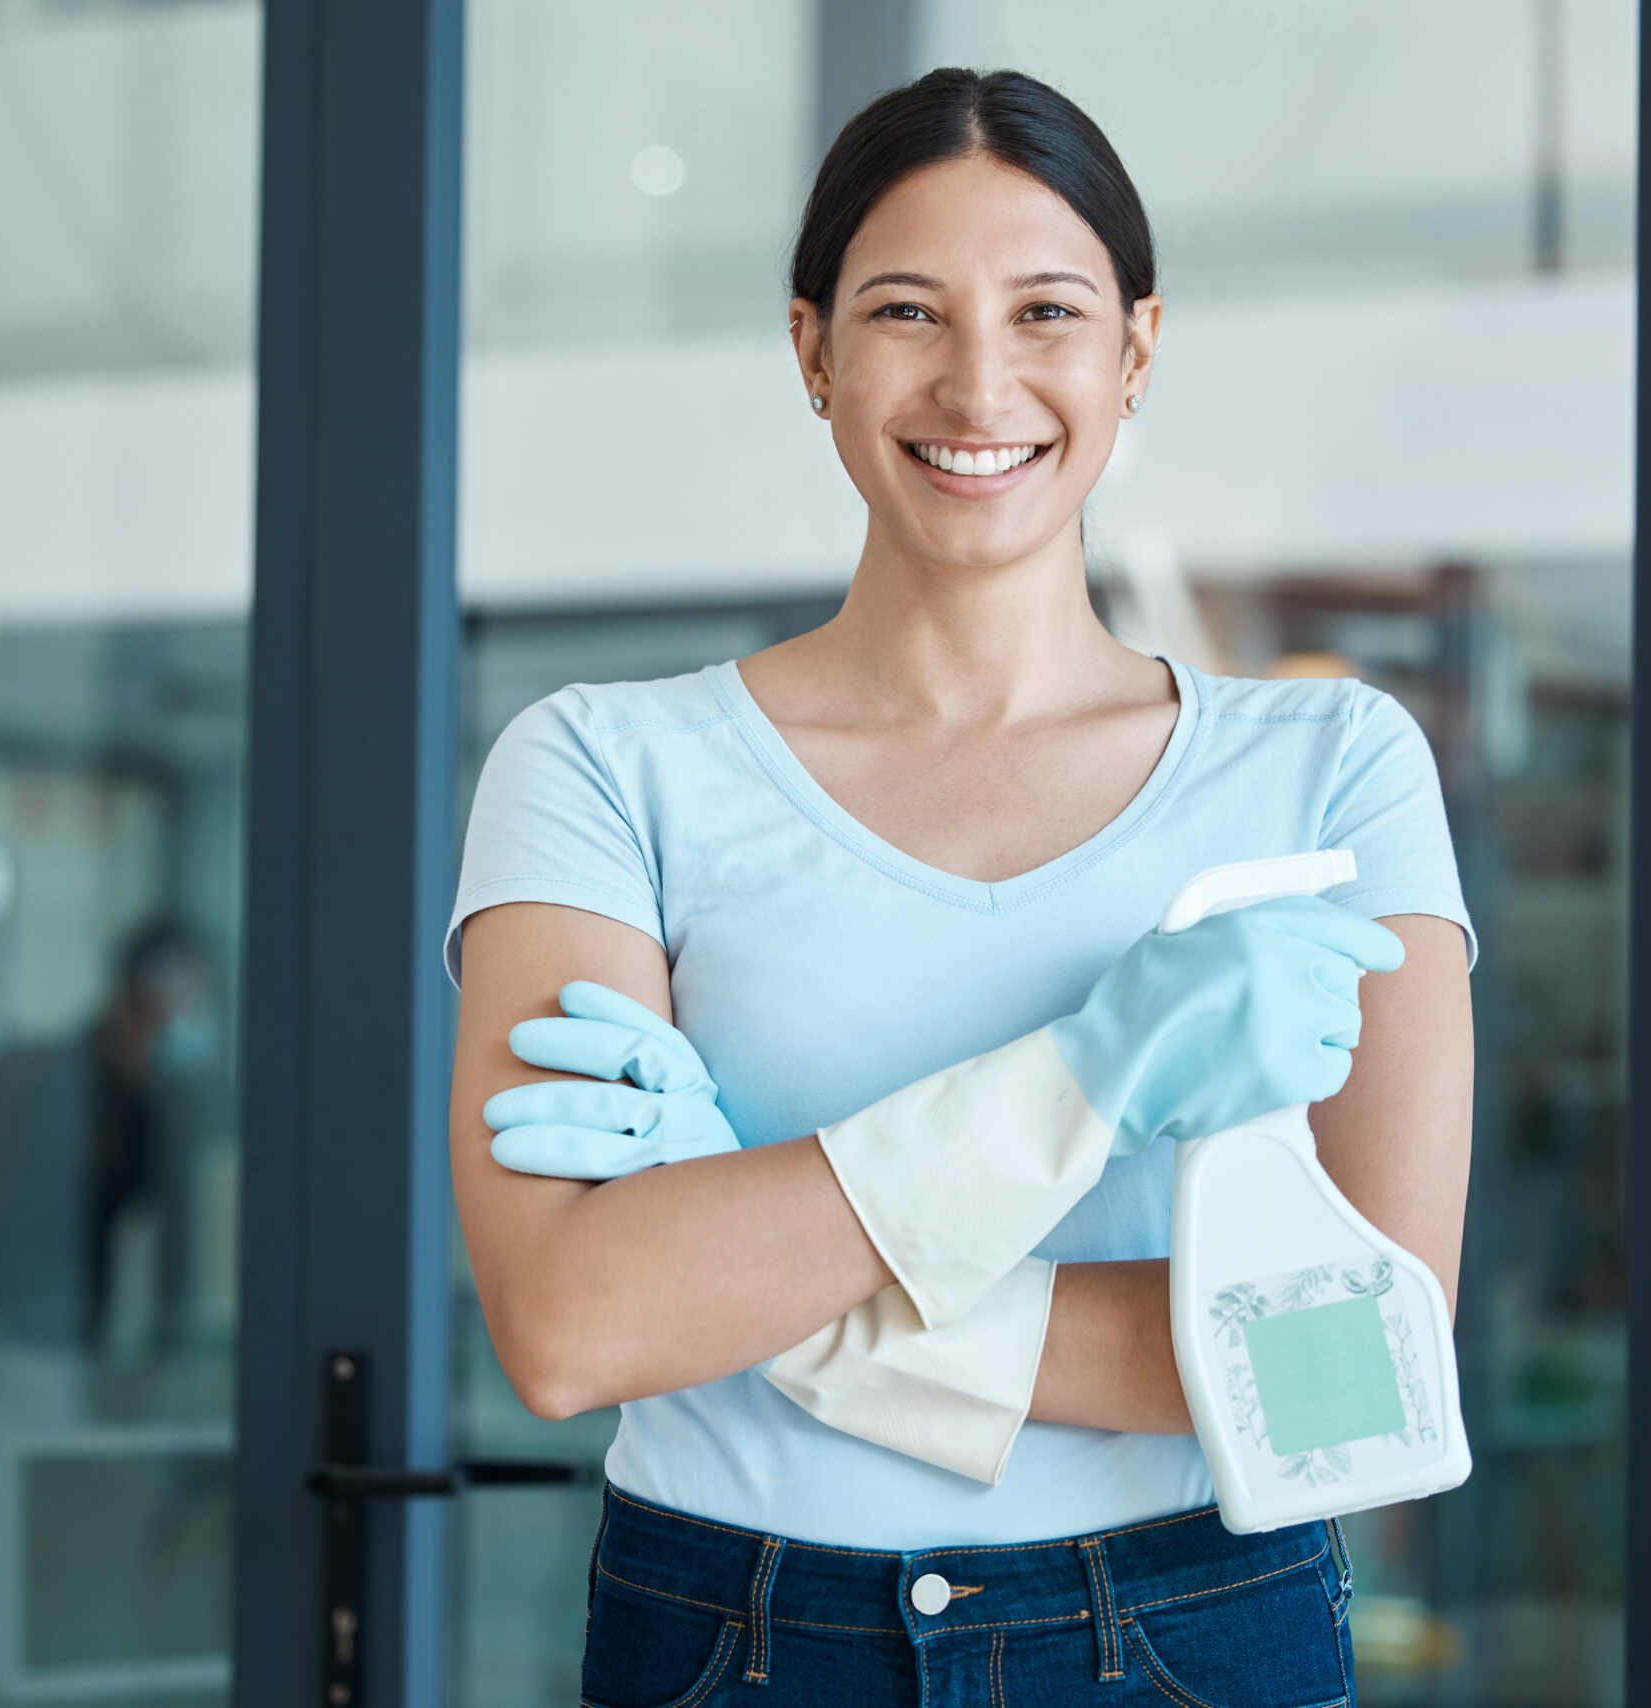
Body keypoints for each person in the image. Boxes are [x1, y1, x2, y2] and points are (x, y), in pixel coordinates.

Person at [446, 70, 1474, 1706]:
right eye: (907, 310)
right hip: (736, 1632)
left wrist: (766, 1282)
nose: (978, 380)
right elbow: (571, 1328)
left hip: (1194, 1632)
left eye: (1047, 311)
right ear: (814, 352)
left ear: (1137, 349)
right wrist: (1091, 1068)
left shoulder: (1330, 764)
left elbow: (1354, 1363)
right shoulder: (602, 765)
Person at [0, 919, 219, 1352]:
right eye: (194, 999)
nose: (199, 1015)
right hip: (28, 1338)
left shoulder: (145, 1095)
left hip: (73, 1337)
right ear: (155, 991)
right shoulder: (61, 1086)